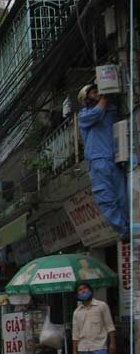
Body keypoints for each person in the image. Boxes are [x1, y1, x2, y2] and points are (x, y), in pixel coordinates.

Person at [78, 84, 129, 238]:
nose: (98, 93)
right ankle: (124, 230)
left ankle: (131, 226)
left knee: (123, 198)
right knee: (107, 200)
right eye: (94, 92)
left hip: (115, 160)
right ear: (86, 99)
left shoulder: (111, 109)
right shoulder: (84, 115)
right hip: (98, 162)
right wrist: (105, 96)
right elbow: (97, 112)